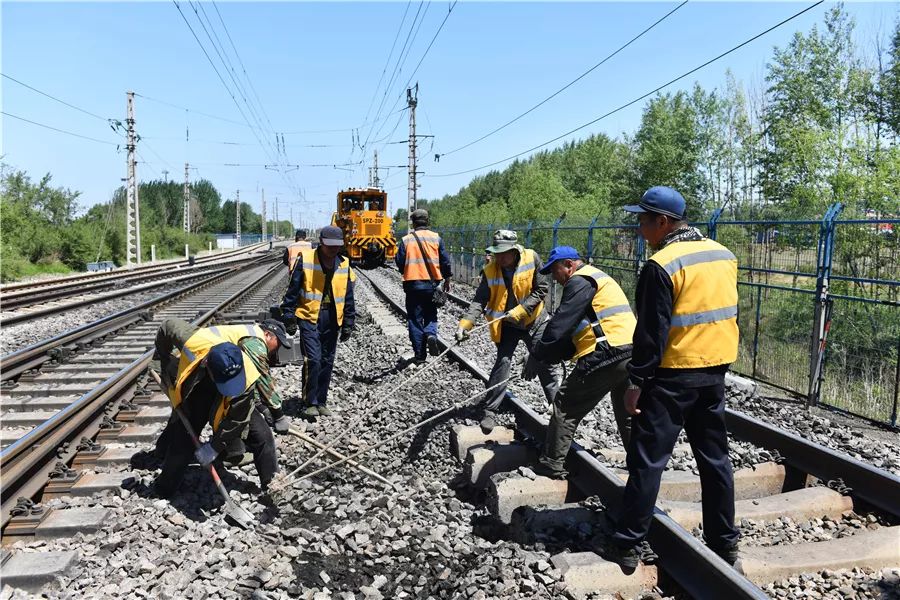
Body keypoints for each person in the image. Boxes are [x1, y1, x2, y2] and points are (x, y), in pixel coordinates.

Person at [594, 186, 741, 572]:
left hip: (672, 378)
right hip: (714, 375)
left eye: (643, 220)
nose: (639, 228)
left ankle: (627, 545)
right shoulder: (723, 255)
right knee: (715, 461)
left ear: (663, 222)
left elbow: (651, 335)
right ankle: (724, 545)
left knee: (648, 462)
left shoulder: (662, 265)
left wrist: (636, 383)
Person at [525, 246, 636, 479]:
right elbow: (574, 334)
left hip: (607, 353)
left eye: (555, 270)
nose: (554, 277)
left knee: (565, 406)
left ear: (569, 265)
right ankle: (641, 464)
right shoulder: (598, 278)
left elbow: (561, 324)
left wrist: (537, 355)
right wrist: (550, 355)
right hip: (631, 352)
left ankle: (551, 464)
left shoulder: (580, 281)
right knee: (627, 413)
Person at [151, 318, 293, 498]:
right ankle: (164, 489)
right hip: (199, 384)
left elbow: (236, 420)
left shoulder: (246, 377)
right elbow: (167, 325)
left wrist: (214, 447)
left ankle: (273, 487)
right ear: (208, 365)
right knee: (184, 436)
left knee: (262, 435)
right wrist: (160, 359)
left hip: (236, 386)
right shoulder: (194, 340)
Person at [455, 230, 558, 433]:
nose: (500, 258)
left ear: (514, 250)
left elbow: (542, 288)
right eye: (497, 253)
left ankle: (558, 407)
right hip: (507, 326)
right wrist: (465, 324)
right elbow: (479, 300)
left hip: (533, 320)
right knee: (502, 363)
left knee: (544, 361)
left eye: (504, 253)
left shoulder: (532, 258)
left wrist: (522, 309)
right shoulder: (491, 270)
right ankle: (491, 411)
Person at [280, 225, 356, 418]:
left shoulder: (344, 263)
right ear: (321, 243)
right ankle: (309, 402)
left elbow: (348, 296)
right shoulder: (305, 260)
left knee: (327, 360)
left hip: (332, 317)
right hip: (309, 316)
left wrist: (348, 322)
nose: (333, 250)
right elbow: (292, 291)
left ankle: (321, 401)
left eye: (337, 246)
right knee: (313, 359)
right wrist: (289, 316)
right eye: (329, 246)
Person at [395, 208, 452, 362]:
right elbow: (445, 261)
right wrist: (447, 278)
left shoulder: (406, 240)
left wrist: (407, 270)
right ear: (427, 221)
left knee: (414, 319)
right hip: (432, 285)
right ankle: (431, 334)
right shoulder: (436, 238)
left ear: (413, 223)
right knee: (431, 313)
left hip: (412, 286)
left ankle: (420, 355)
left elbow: (399, 262)